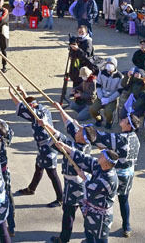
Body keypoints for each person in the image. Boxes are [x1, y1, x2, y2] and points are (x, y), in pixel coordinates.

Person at [47, 102, 97, 243]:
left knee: (69, 212)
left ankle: (64, 239)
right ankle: (91, 237)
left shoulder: (74, 148)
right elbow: (70, 124)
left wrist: (45, 124)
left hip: (74, 184)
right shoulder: (84, 143)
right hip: (82, 182)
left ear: (82, 137)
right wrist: (60, 109)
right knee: (85, 210)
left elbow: (58, 137)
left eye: (80, 131)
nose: (77, 130)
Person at [10, 86, 63, 207]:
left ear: (32, 106)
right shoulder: (41, 108)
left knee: (52, 172)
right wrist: (23, 92)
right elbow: (27, 105)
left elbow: (22, 107)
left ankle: (60, 198)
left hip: (48, 146)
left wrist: (12, 94)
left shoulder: (38, 114)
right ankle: (31, 188)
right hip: (43, 145)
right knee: (39, 166)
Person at [57, 140, 119, 243]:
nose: (99, 156)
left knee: (100, 239)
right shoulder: (100, 167)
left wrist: (84, 178)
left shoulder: (109, 178)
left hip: (101, 217)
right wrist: (66, 147)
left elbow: (92, 189)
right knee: (89, 232)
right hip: (91, 211)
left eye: (102, 156)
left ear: (107, 164)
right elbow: (85, 158)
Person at [92, 113, 141, 238]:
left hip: (116, 176)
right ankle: (127, 227)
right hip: (129, 175)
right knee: (124, 200)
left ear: (128, 125)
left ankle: (103, 228)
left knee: (107, 202)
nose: (122, 119)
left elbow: (101, 137)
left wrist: (84, 130)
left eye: (125, 119)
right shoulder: (135, 137)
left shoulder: (120, 138)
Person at [89, 57, 123, 129]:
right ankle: (99, 119)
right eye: (108, 63)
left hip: (112, 98)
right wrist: (101, 97)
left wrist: (109, 99)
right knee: (92, 110)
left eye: (111, 64)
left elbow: (119, 91)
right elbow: (98, 85)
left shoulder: (119, 76)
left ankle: (109, 121)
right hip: (101, 96)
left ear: (115, 65)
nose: (109, 65)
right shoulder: (102, 73)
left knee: (107, 112)